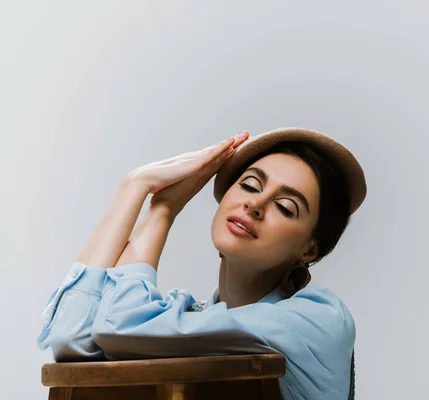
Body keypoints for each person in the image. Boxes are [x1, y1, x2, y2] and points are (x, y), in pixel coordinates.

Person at [37, 127, 367, 400]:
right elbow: (72, 338)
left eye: (285, 206)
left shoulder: (317, 320)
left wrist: (163, 209)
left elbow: (115, 324)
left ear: (309, 250)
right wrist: (136, 187)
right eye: (250, 185)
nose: (255, 204)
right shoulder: (196, 321)